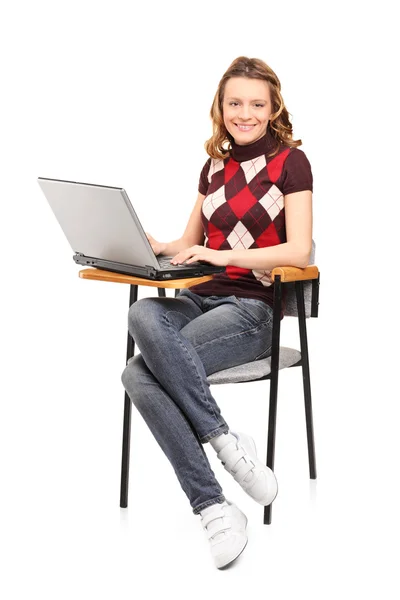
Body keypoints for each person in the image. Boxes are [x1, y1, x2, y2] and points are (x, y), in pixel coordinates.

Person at [121, 55, 313, 569]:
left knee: (138, 376)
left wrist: (225, 256)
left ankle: (211, 506)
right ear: (220, 107)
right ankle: (226, 443)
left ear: (273, 108)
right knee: (142, 317)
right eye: (234, 103)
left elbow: (298, 251)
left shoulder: (292, 163)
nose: (244, 113)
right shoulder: (213, 166)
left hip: (253, 310)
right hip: (201, 298)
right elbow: (187, 242)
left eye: (256, 103)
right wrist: (144, 244)